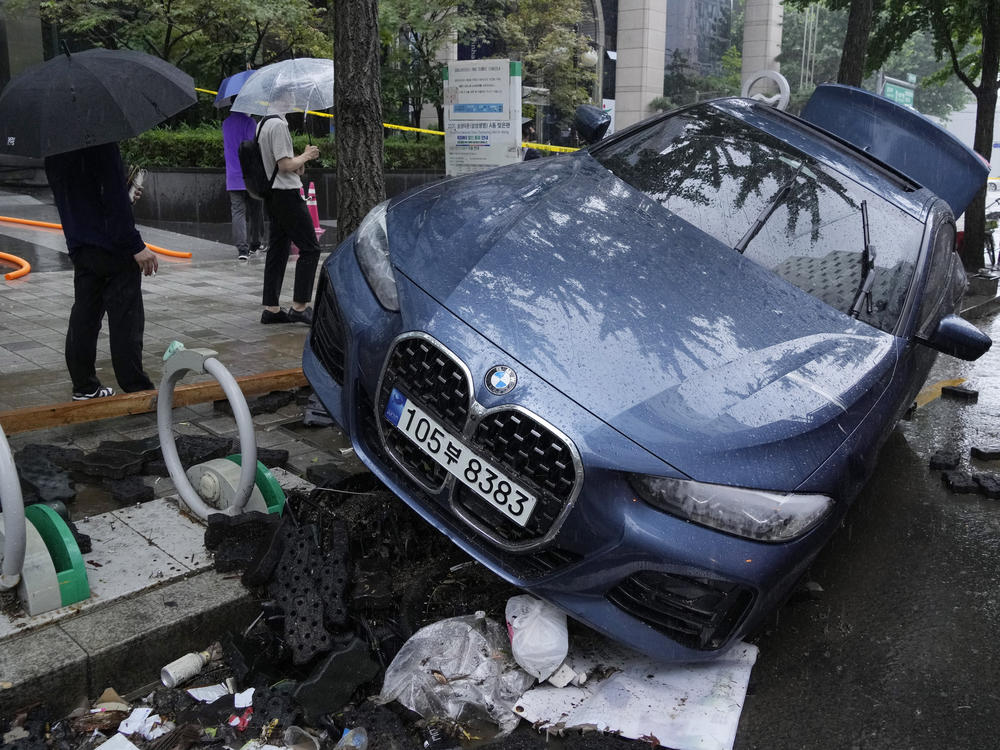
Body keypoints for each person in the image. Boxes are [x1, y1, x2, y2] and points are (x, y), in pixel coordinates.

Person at [44, 142, 158, 400]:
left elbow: (77, 195)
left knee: (85, 315)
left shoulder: (54, 150)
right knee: (126, 320)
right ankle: (136, 389)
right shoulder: (100, 142)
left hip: (80, 245)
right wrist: (136, 245)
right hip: (114, 247)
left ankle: (84, 386)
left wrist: (124, 191)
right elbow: (113, 199)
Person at [256, 110, 321, 325]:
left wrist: (301, 159)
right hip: (287, 194)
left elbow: (290, 167)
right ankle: (299, 306)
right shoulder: (279, 126)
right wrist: (307, 155)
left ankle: (271, 309)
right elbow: (284, 165)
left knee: (278, 248)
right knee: (311, 248)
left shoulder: (262, 124)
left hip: (272, 194)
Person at [222, 108, 265, 260]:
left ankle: (242, 250)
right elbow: (253, 146)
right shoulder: (250, 122)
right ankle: (255, 243)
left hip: (233, 176)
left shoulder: (226, 123)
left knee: (238, 212)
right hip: (250, 175)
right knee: (256, 210)